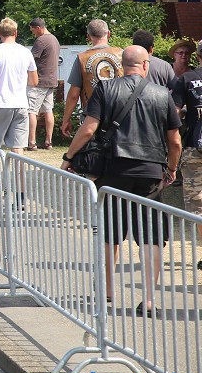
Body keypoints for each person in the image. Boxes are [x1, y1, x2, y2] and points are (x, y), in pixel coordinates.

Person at [62, 46, 181, 316]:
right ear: (145, 64)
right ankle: (149, 300)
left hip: (113, 169)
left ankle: (106, 292)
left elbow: (89, 128)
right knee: (151, 238)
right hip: (150, 172)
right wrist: (171, 169)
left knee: (110, 234)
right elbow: (174, 141)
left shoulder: (105, 89)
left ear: (122, 66)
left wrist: (69, 156)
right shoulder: (162, 95)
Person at [0, 18, 38, 208]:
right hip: (20, 105)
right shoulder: (25, 52)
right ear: (16, 33)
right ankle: (20, 197)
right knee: (18, 151)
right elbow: (34, 80)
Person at [170, 43, 202, 272]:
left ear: (197, 56)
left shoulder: (187, 79)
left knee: (198, 205)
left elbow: (174, 113)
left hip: (194, 148)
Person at [60, 19, 122, 138]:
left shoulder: (82, 58)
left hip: (93, 115)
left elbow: (74, 94)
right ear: (109, 33)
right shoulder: (121, 54)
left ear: (88, 36)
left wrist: (66, 120)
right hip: (119, 111)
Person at [26, 18, 60, 150]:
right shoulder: (54, 39)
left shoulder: (41, 41)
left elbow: (29, 59)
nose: (33, 33)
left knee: (32, 111)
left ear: (38, 28)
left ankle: (32, 142)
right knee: (48, 111)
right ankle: (48, 141)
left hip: (39, 81)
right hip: (51, 80)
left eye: (33, 30)